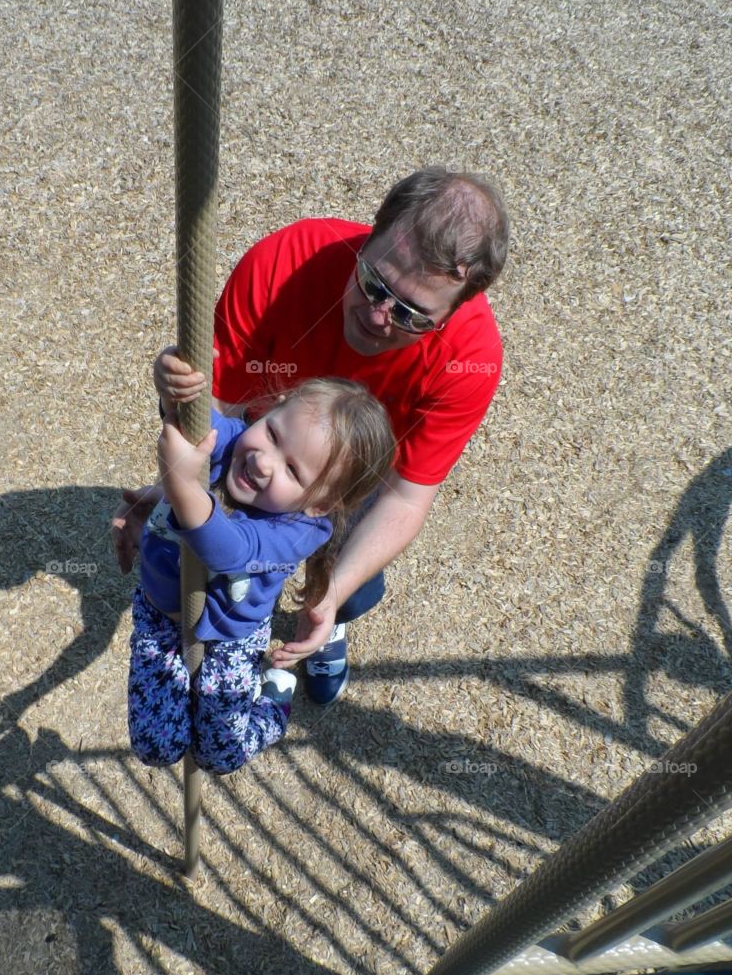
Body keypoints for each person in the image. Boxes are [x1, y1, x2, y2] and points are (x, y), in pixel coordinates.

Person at [115, 167, 509, 704]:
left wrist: (331, 595)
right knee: (224, 560)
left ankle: (332, 621)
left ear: (456, 310)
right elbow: (219, 410)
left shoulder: (471, 359)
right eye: (375, 282)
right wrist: (173, 471)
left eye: (414, 314)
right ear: (369, 237)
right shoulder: (285, 261)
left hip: (353, 478)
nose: (378, 316)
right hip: (265, 436)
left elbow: (406, 494)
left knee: (340, 572)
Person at [128, 372, 395, 774]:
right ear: (271, 410)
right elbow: (192, 419)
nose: (263, 460)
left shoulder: (302, 529)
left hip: (231, 638)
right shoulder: (237, 442)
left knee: (219, 755)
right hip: (161, 616)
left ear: (320, 504)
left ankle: (272, 702)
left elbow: (230, 552)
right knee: (156, 748)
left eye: (292, 470)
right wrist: (173, 385)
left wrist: (180, 484)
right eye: (271, 432)